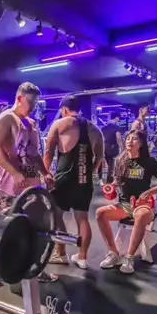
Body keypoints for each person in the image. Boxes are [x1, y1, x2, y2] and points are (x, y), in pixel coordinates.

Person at [0, 81, 57, 283]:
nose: (34, 107)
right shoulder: (5, 119)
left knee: (35, 229)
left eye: (36, 103)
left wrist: (45, 173)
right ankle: (10, 272)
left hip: (30, 188)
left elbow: (34, 153)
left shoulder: (30, 124)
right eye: (31, 102)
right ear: (19, 99)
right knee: (13, 233)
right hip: (8, 188)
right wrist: (15, 172)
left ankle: (33, 270)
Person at [95, 130, 157, 274]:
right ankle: (113, 253)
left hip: (144, 204)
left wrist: (150, 192)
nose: (130, 141)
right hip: (125, 205)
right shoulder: (120, 160)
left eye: (134, 139)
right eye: (128, 138)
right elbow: (117, 181)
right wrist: (112, 187)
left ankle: (129, 258)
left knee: (140, 215)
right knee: (100, 213)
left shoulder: (149, 161)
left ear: (141, 144)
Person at [42, 95, 104, 269]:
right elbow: (100, 157)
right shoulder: (94, 128)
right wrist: (90, 172)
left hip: (65, 177)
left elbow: (48, 153)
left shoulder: (60, 124)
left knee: (56, 214)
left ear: (64, 109)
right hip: (84, 179)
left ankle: (61, 254)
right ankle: (82, 257)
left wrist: (45, 174)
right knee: (82, 218)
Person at [100, 113, 123, 184]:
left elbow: (102, 139)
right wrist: (122, 148)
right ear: (116, 118)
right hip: (113, 149)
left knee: (109, 165)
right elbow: (118, 139)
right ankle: (109, 183)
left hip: (105, 148)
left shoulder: (103, 128)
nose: (119, 120)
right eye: (118, 118)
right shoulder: (116, 128)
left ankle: (109, 182)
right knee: (112, 166)